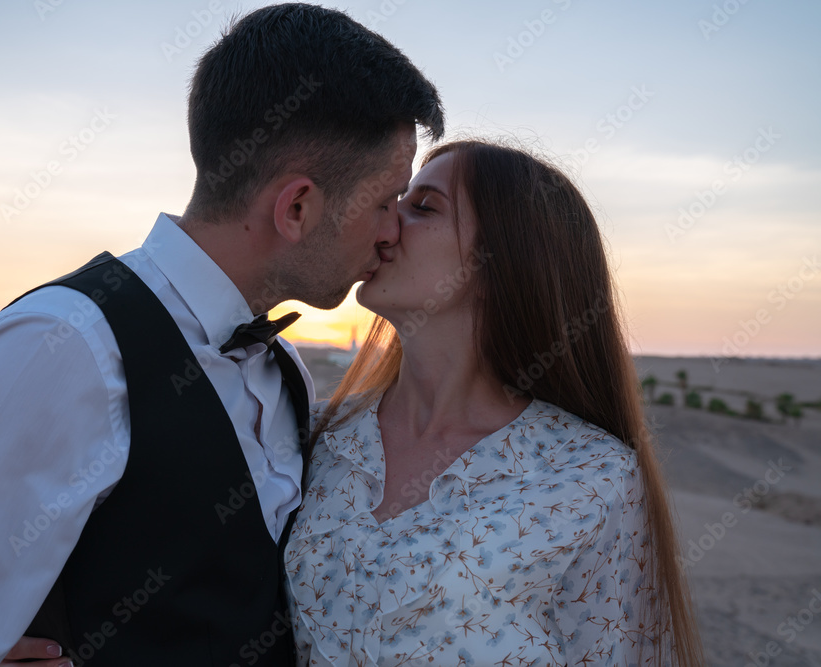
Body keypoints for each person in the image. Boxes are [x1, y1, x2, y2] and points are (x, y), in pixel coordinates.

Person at [0, 4, 444, 666]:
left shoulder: (284, 367)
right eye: (385, 201)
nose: (392, 231)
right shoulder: (62, 348)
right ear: (297, 207)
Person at [282, 140, 706, 666]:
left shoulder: (592, 477)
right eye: (396, 201)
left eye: (423, 207)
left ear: (499, 261)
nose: (385, 225)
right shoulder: (319, 434)